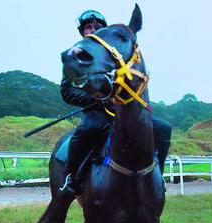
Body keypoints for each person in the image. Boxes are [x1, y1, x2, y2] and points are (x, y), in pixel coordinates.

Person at [59, 9, 172, 194]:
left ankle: (157, 176)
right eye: (89, 27)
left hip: (124, 111)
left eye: (97, 26)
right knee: (88, 129)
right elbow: (67, 91)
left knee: (162, 129)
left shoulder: (113, 54)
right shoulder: (78, 55)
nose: (93, 29)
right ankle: (70, 178)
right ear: (82, 32)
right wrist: (98, 98)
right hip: (96, 112)